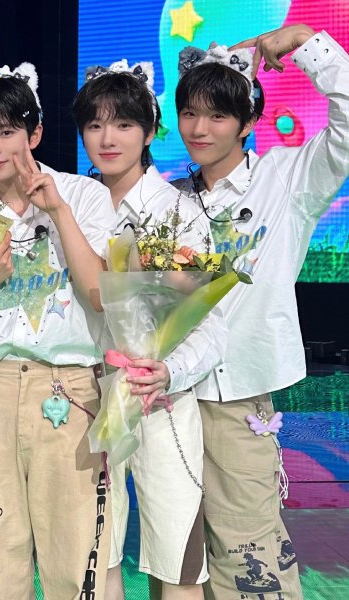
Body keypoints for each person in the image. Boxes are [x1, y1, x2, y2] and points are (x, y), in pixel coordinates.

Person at [174, 24, 349, 598]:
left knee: (250, 556)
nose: (199, 129)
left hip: (239, 398)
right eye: (189, 114)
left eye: (217, 116)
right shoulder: (168, 199)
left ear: (248, 121)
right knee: (177, 558)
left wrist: (303, 41)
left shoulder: (288, 179)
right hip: (169, 399)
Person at [0, 63, 117, 599]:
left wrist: (57, 211)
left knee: (77, 557)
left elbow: (101, 293)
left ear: (34, 133)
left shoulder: (83, 195)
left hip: (70, 389)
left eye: (6, 131)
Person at [73, 62, 225, 599]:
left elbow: (212, 325)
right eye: (94, 125)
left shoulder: (179, 212)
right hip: (89, 399)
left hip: (163, 402)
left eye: (123, 124)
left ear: (150, 130)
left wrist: (168, 371)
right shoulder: (72, 207)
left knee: (178, 557)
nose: (107, 139)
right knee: (96, 553)